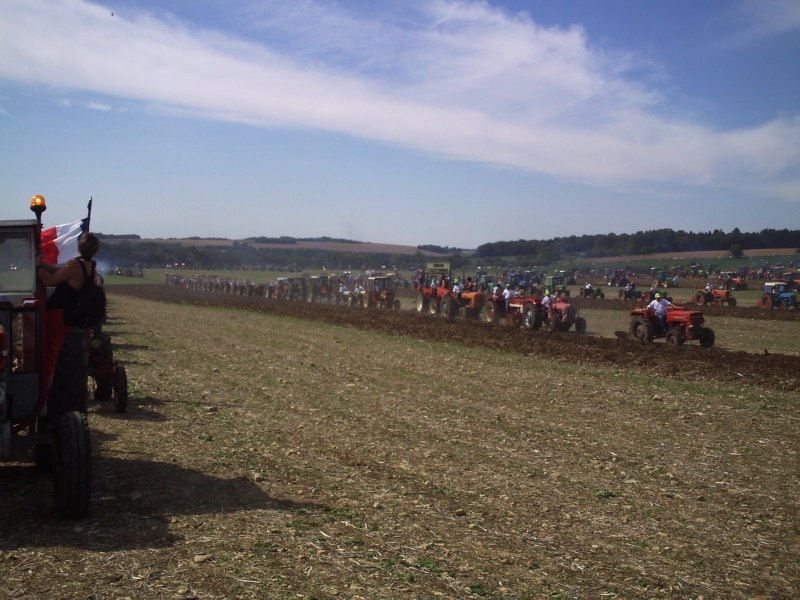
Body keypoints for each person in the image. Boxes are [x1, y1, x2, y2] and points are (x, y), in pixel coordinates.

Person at [36, 232, 101, 397]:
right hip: (67, 316)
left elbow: (50, 281)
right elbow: (61, 272)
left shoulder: (74, 264)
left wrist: (37, 267)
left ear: (80, 246)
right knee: (52, 354)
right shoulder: (90, 268)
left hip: (56, 314)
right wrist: (44, 264)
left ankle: (42, 399)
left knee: (49, 358)